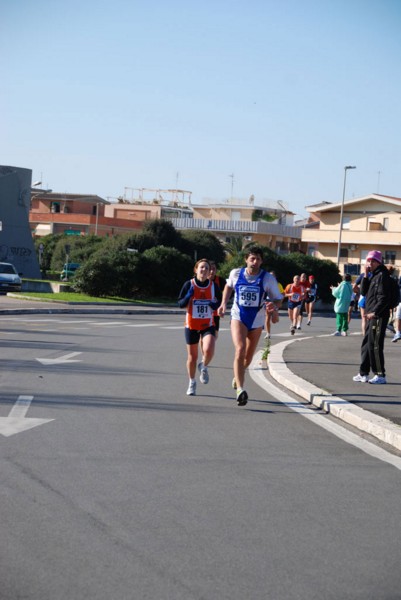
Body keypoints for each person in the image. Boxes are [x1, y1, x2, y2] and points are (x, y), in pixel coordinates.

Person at [217, 246, 282, 406]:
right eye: (252, 258)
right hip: (239, 316)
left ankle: (237, 375)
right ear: (246, 259)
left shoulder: (267, 278)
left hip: (257, 320)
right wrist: (223, 303)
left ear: (262, 261)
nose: (255, 262)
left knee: (248, 358)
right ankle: (240, 389)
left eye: (258, 259)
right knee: (240, 349)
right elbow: (228, 286)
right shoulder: (236, 273)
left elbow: (278, 298)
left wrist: (274, 307)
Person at [178, 258, 222, 396]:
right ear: (196, 269)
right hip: (191, 325)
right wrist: (188, 297)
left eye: (207, 268)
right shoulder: (188, 284)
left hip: (207, 324)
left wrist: (214, 305)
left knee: (208, 349)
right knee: (192, 357)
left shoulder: (214, 287)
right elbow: (180, 303)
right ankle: (192, 382)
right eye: (201, 267)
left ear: (210, 272)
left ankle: (203, 365)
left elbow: (219, 303)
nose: (204, 270)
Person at [353, 250, 392, 385]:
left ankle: (380, 374)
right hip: (370, 315)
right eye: (368, 260)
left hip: (378, 315)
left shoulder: (382, 276)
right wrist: (365, 275)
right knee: (366, 344)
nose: (369, 263)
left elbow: (383, 298)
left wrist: (374, 312)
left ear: (378, 262)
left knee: (375, 345)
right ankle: (363, 373)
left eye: (372, 260)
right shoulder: (373, 275)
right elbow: (363, 291)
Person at [208, 260, 226, 339]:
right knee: (203, 337)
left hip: (215, 313)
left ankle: (209, 350)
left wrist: (222, 303)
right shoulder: (200, 281)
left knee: (214, 335)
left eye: (214, 269)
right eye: (210, 269)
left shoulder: (221, 281)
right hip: (204, 313)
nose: (212, 271)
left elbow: (228, 293)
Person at [264, 270, 284, 339]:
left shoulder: (278, 285)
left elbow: (282, 294)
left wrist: (280, 302)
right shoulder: (265, 283)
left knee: (274, 321)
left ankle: (276, 316)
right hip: (267, 301)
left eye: (272, 275)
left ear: (275, 277)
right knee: (267, 317)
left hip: (275, 302)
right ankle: (268, 333)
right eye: (270, 275)